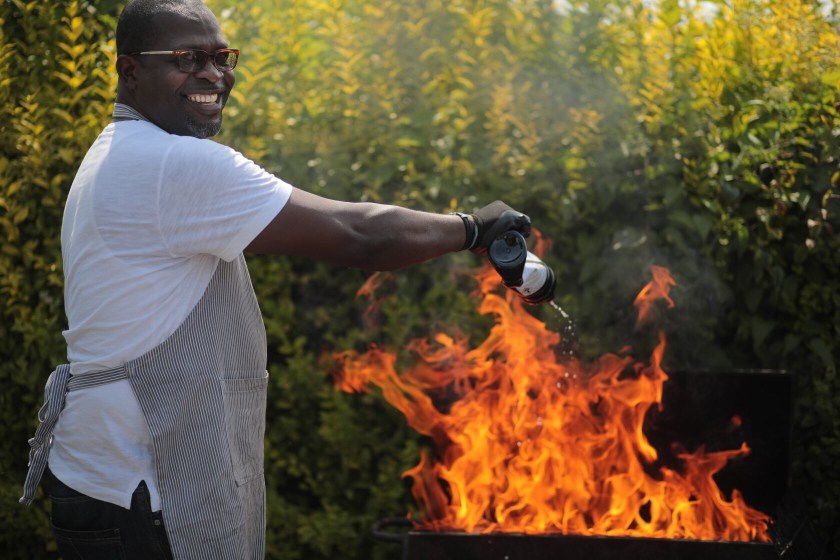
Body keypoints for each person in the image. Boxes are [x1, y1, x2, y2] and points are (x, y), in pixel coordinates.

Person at [20, 1, 533, 558]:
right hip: (141, 493)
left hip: (103, 483)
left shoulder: (115, 154)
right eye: (187, 58)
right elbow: (360, 235)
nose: (213, 74)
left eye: (221, 58)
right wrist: (473, 228)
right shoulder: (170, 164)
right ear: (130, 70)